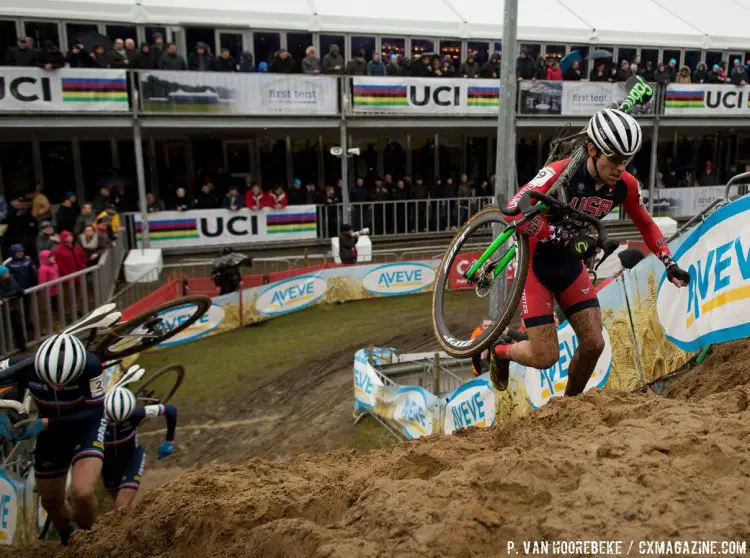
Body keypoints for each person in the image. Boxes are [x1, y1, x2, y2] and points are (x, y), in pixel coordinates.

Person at [489, 109, 691, 397]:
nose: (621, 167)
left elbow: (646, 224)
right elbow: (512, 212)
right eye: (615, 158)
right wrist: (554, 233)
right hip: (537, 266)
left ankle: (569, 405)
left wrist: (669, 263)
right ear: (593, 149)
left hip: (570, 265)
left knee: (594, 344)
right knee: (546, 357)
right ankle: (499, 350)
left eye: (627, 159)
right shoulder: (562, 172)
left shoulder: (625, 186)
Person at [1, 334, 107, 545]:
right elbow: (5, 386)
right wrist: (8, 407)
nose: (57, 387)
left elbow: (96, 413)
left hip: (86, 429)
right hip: (52, 436)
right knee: (50, 500)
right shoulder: (19, 364)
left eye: (65, 383)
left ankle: (93, 542)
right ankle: (68, 536)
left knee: (83, 493)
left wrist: (46, 423)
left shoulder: (92, 366)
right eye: (51, 383)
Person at [102, 387, 177, 508]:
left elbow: (171, 410)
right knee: (120, 508)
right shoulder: (96, 417)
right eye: (112, 420)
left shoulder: (137, 413)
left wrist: (169, 440)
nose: (115, 424)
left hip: (132, 460)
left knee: (121, 507)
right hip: (108, 467)